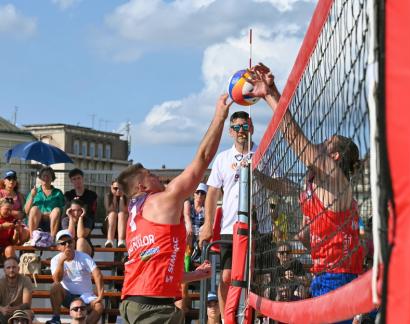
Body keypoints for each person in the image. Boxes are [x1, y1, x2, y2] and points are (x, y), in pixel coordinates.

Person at [249, 63, 363, 322]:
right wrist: (272, 90)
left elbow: (298, 142)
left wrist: (270, 96)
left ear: (334, 156)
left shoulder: (335, 178)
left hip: (338, 278)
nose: (321, 142)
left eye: (327, 142)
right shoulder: (316, 187)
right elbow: (303, 234)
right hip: (327, 275)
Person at [116, 93, 231, 324]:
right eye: (150, 175)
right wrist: (219, 116)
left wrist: (195, 275)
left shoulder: (135, 219)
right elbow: (203, 158)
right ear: (141, 186)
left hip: (137, 302)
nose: (157, 175)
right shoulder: (161, 201)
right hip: (153, 309)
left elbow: (159, 269)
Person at [198, 110, 256, 319]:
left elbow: (280, 187)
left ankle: (253, 317)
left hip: (258, 227)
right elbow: (212, 192)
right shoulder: (223, 158)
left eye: (245, 126)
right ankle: (225, 318)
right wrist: (207, 224)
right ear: (231, 132)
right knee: (227, 276)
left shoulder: (263, 153)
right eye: (237, 128)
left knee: (254, 279)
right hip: (230, 226)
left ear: (252, 128)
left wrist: (258, 174)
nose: (242, 131)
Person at [47, 230, 104, 324]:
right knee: (55, 286)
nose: (67, 245)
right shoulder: (55, 260)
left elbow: (97, 274)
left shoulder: (84, 257)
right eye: (63, 243)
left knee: (99, 306)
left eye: (69, 242)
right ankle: (56, 319)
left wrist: (100, 296)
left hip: (86, 297)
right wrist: (62, 261)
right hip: (67, 297)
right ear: (58, 247)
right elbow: (57, 279)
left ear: (74, 243)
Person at [24, 167, 65, 243]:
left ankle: (52, 239)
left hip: (52, 221)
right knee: (34, 209)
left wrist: (49, 214)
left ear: (52, 178)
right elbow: (26, 211)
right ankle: (32, 238)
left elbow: (62, 210)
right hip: (37, 221)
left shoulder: (58, 193)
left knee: (56, 210)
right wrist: (32, 196)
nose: (46, 178)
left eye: (48, 176)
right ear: (40, 178)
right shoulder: (34, 192)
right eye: (44, 176)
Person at [63, 168, 97, 256]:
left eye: (78, 178)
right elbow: (66, 212)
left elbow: (90, 212)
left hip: (85, 224)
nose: (77, 181)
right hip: (72, 225)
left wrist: (81, 215)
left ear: (82, 179)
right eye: (74, 179)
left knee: (80, 241)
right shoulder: (68, 195)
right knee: (67, 242)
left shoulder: (91, 195)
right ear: (71, 181)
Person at [0, 257, 34, 324]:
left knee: (28, 313)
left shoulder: (26, 280)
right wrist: (2, 309)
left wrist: (14, 309)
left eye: (14, 267)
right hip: (3, 312)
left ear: (18, 269)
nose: (11, 270)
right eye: (8, 267)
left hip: (20, 312)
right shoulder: (0, 282)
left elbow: (26, 304)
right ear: (4, 270)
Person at [183, 182, 208, 266]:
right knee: (188, 233)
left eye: (202, 193)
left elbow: (208, 221)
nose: (200, 195)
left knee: (202, 234)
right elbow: (186, 216)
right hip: (190, 232)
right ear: (194, 194)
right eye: (197, 192)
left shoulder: (206, 208)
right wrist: (189, 226)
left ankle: (196, 262)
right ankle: (187, 262)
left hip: (200, 234)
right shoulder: (188, 203)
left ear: (205, 196)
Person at [103, 180, 128, 248]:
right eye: (115, 188)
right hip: (108, 226)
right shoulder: (108, 195)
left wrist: (122, 197)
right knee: (113, 213)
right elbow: (110, 209)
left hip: (124, 226)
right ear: (111, 187)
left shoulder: (127, 196)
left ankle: (121, 241)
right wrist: (114, 195)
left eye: (120, 188)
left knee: (121, 214)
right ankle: (109, 240)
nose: (118, 190)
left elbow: (123, 210)